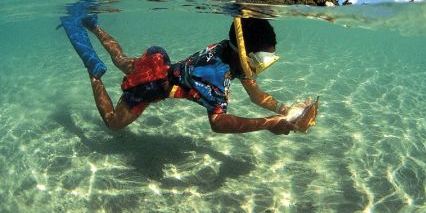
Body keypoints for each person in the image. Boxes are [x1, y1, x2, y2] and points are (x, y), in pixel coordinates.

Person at [82, 15, 315, 135]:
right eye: (260, 60)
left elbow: (256, 96)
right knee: (113, 123)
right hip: (152, 84)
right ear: (246, 55)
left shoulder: (229, 52)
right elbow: (219, 123)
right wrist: (268, 124)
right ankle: (94, 73)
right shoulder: (215, 76)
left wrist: (286, 111)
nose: (262, 66)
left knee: (122, 60)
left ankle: (94, 26)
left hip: (159, 63)